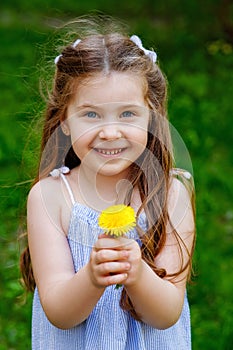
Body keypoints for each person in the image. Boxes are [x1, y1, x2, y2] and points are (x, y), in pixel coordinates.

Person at [20, 17, 195, 350]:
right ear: (64, 121)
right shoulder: (50, 197)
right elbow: (58, 311)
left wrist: (136, 274)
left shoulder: (171, 194)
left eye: (127, 114)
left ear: (151, 116)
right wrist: (91, 278)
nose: (110, 132)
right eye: (91, 115)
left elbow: (167, 313)